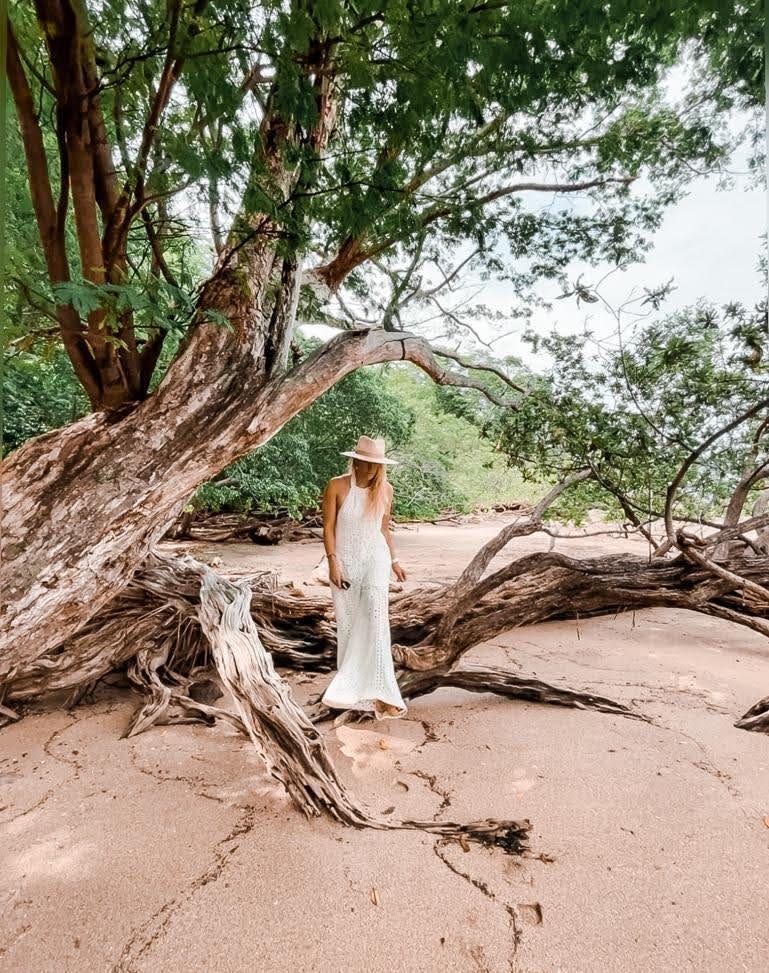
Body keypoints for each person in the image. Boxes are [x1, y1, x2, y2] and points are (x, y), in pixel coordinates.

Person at [320, 435, 408, 723]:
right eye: (367, 462)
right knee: (348, 624)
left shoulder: (386, 490)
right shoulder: (337, 486)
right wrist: (333, 563)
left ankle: (385, 694)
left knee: (375, 616)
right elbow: (329, 528)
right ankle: (354, 692)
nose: (372, 469)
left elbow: (384, 530)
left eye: (376, 464)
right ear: (356, 461)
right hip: (344, 562)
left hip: (375, 559)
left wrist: (394, 561)